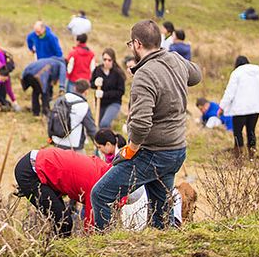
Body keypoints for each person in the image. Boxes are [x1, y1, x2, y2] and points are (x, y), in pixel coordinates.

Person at [91, 20, 201, 231]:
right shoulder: (175, 59)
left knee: (101, 194)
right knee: (161, 215)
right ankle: (168, 249)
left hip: (153, 153)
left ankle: (106, 248)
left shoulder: (145, 74)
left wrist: (130, 149)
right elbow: (196, 75)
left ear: (137, 44)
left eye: (130, 44)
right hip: (176, 150)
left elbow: (141, 124)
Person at [14, 148, 110, 236]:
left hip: (39, 163)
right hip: (31, 172)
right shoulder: (97, 187)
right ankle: (55, 251)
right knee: (64, 222)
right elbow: (91, 228)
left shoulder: (103, 169)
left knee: (62, 219)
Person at [219, 56, 259, 159]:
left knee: (238, 132)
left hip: (240, 109)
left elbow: (230, 92)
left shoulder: (237, 73)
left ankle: (238, 155)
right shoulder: (257, 73)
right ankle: (252, 154)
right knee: (251, 131)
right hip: (255, 109)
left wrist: (222, 107)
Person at [49, 80, 97, 153]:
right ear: (86, 91)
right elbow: (91, 128)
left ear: (74, 88)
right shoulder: (84, 106)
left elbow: (51, 120)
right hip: (75, 146)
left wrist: (51, 137)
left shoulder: (60, 100)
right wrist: (98, 143)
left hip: (57, 141)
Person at [90, 48, 126, 129]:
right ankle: (108, 140)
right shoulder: (98, 70)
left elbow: (121, 92)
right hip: (100, 103)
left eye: (109, 60)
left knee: (104, 123)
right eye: (105, 59)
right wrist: (95, 83)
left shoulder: (118, 73)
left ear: (113, 60)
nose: (107, 62)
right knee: (99, 126)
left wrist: (104, 94)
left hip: (113, 102)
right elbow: (91, 84)